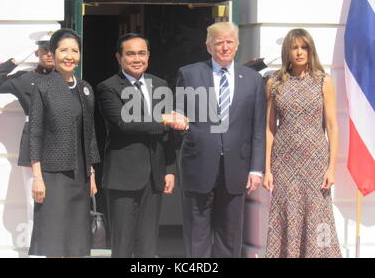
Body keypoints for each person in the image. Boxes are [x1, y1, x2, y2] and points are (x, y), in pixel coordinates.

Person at [175, 22, 266, 258]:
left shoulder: (253, 80)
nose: (224, 47)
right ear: (208, 46)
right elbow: (179, 114)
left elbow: (257, 128)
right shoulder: (190, 74)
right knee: (197, 234)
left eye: (229, 42)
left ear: (237, 45)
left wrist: (256, 169)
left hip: (237, 168)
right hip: (198, 165)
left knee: (231, 234)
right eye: (219, 43)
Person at [96, 33, 187, 258]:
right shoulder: (108, 87)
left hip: (154, 177)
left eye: (142, 53)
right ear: (119, 57)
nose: (137, 58)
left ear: (148, 56)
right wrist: (165, 119)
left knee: (148, 245)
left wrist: (169, 170)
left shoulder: (160, 84)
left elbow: (166, 135)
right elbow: (124, 123)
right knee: (123, 245)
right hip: (123, 177)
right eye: (131, 54)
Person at [263, 28, 341, 258]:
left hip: (315, 162)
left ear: (311, 50)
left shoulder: (323, 81)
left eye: (304, 47)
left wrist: (331, 167)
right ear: (287, 50)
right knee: (285, 215)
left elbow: (333, 126)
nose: (299, 52)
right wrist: (267, 169)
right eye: (294, 47)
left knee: (317, 216)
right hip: (283, 163)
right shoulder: (274, 83)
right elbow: (269, 128)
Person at [28, 28, 100, 257]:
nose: (70, 56)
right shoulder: (43, 86)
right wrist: (37, 177)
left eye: (75, 51)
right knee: (53, 238)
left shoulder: (85, 88)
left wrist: (91, 171)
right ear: (53, 53)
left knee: (76, 241)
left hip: (79, 176)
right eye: (64, 50)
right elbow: (35, 132)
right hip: (53, 175)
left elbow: (89, 133)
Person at [0, 32, 54, 247]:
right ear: (38, 51)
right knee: (35, 205)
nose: (49, 54)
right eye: (44, 49)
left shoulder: (67, 79)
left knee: (59, 204)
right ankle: (37, 251)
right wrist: (22, 56)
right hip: (34, 145)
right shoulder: (25, 78)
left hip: (62, 146)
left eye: (53, 49)